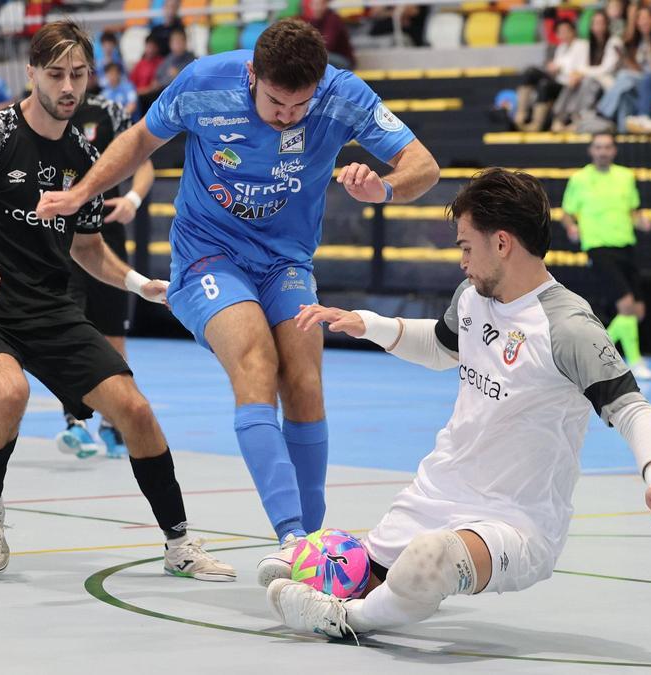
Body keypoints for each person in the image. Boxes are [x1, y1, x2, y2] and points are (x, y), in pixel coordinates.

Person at [36, 18, 439, 581]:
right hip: (208, 256)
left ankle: (315, 542)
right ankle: (293, 538)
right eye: (276, 103)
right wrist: (83, 192)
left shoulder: (342, 94)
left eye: (301, 107)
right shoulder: (205, 82)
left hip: (286, 262)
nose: (288, 117)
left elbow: (425, 164)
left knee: (303, 375)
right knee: (256, 360)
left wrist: (387, 187)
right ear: (253, 75)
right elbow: (139, 141)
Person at [267, 168, 651, 638]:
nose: (462, 261)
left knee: (430, 561)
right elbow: (443, 346)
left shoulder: (568, 326)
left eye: (467, 246)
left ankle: (345, 620)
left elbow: (633, 409)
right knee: (336, 570)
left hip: (518, 521)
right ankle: (351, 583)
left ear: (502, 243)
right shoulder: (472, 297)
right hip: (436, 494)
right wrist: (367, 324)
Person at [0, 20, 234, 581]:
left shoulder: (85, 156)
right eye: (55, 73)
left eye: (77, 74)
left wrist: (136, 284)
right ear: (31, 73)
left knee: (135, 410)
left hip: (52, 310)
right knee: (10, 394)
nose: (68, 86)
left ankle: (179, 543)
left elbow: (87, 247)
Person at [55, 92, 157, 458]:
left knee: (113, 335)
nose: (68, 79)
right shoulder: (40, 109)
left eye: (78, 68)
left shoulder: (110, 110)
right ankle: (75, 422)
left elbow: (142, 161)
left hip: (105, 231)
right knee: (72, 326)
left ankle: (113, 426)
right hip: (60, 233)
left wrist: (133, 200)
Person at [562, 132, 651, 380]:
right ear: (591, 151)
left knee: (637, 310)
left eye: (607, 147)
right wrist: (572, 228)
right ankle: (630, 360)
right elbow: (567, 214)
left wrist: (641, 221)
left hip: (625, 245)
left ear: (614, 150)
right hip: (598, 246)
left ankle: (593, 355)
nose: (603, 151)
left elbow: (634, 210)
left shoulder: (625, 177)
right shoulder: (580, 179)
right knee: (625, 305)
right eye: (598, 147)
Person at [514, 19, 588, 132]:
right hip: (557, 81)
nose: (563, 35)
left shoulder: (582, 45)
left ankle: (537, 124)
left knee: (545, 85)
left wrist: (559, 67)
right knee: (530, 72)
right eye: (560, 32)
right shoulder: (561, 47)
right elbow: (556, 70)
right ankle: (520, 114)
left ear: (573, 31)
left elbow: (581, 68)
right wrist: (552, 69)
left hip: (570, 85)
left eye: (566, 31)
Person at [596, 6, 651, 132]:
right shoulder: (638, 42)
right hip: (639, 80)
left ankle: (602, 111)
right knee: (624, 94)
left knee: (624, 76)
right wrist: (625, 58)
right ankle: (623, 136)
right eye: (640, 19)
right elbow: (638, 69)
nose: (643, 22)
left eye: (646, 18)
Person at [306, 0, 354, 70]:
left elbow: (328, 44)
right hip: (327, 56)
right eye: (313, 5)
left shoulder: (333, 19)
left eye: (318, 5)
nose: (316, 8)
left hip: (343, 59)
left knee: (314, 58)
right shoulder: (313, 21)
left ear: (325, 5)